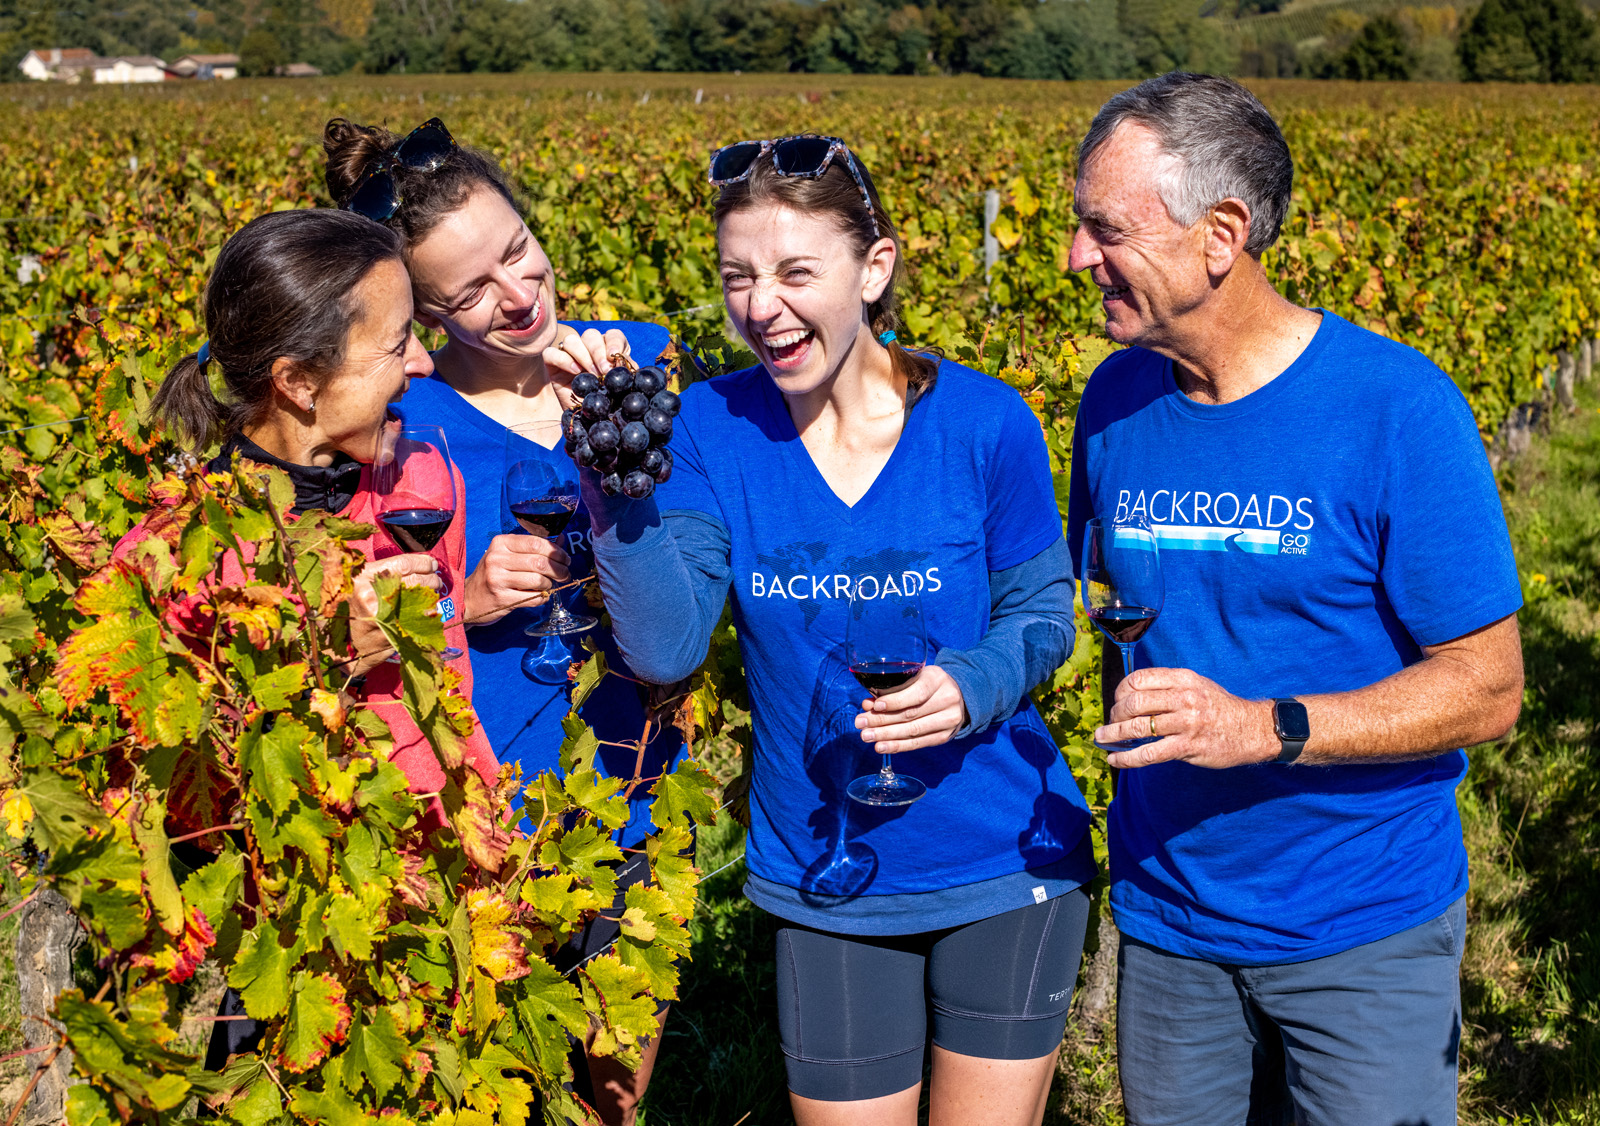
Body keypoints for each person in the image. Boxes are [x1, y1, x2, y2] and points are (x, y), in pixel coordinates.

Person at [581, 135, 1095, 1126]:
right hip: (826, 864)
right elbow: (666, 648)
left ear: (875, 268)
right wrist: (614, 485)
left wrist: (970, 685)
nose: (759, 305)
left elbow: (1042, 617)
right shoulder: (706, 428)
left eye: (793, 272)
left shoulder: (984, 424)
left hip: (1002, 860)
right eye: (736, 276)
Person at [1064, 72, 1525, 1126]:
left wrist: (1263, 727)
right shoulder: (1115, 399)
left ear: (1220, 233)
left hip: (1360, 927)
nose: (1076, 258)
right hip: (1170, 920)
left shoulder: (1396, 409)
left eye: (1105, 229)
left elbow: (1489, 689)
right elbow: (1111, 626)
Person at [320, 116, 687, 1126]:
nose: (517, 297)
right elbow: (344, 627)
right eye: (471, 292)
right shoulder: (403, 422)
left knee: (611, 1105)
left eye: (518, 253)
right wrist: (465, 601)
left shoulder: (648, 367)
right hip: (473, 825)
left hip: (630, 799)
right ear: (423, 315)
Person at [132, 206, 499, 1068]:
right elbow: (184, 774)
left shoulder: (422, 480)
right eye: (397, 342)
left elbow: (449, 689)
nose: (423, 361)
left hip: (451, 901)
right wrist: (325, 654)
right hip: (296, 946)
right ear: (298, 381)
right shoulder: (181, 552)